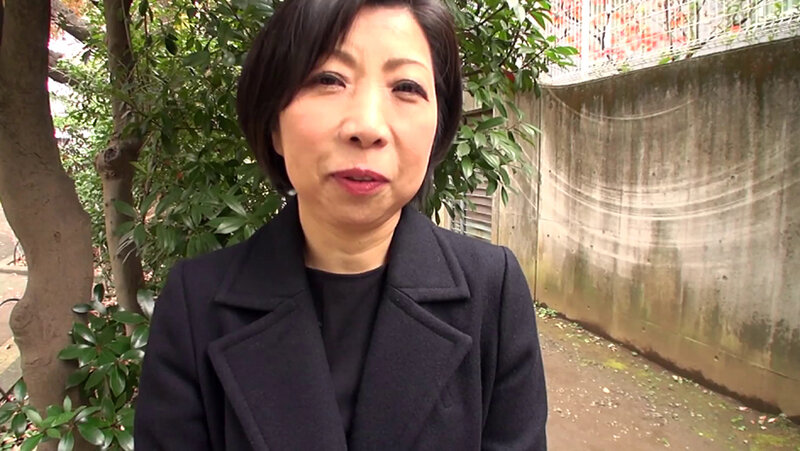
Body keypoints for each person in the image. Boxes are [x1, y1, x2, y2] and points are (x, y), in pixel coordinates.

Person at [134, 0, 548, 449]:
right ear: (274, 124)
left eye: (406, 87)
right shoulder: (196, 305)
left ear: (437, 128)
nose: (367, 127)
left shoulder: (492, 291)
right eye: (329, 79)